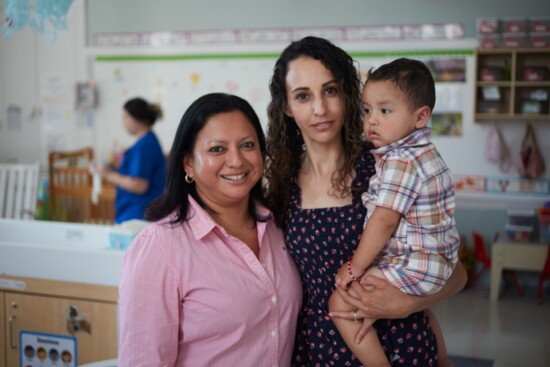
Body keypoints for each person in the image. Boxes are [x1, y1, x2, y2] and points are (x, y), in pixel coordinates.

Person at [265, 36, 466, 366]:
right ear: (287, 105)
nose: (320, 108)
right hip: (317, 349)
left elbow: (454, 272)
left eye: (330, 90)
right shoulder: (279, 185)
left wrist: (408, 305)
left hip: (401, 345)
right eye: (303, 96)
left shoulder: (386, 166)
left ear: (347, 94)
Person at [117, 93, 302, 366]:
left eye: (248, 145)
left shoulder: (278, 227)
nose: (237, 161)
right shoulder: (159, 248)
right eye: (217, 149)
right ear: (188, 163)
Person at [329, 58, 460, 367]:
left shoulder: (401, 160)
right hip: (436, 261)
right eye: (367, 110)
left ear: (420, 116)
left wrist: (354, 268)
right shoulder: (425, 152)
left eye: (385, 111)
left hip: (417, 262)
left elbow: (384, 220)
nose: (371, 120)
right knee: (422, 309)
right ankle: (443, 359)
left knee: (340, 302)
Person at [96, 97, 166, 224]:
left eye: (126, 117)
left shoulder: (146, 145)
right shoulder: (145, 142)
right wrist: (113, 169)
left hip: (138, 214)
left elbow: (139, 185)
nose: (124, 122)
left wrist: (108, 174)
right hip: (134, 212)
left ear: (138, 118)